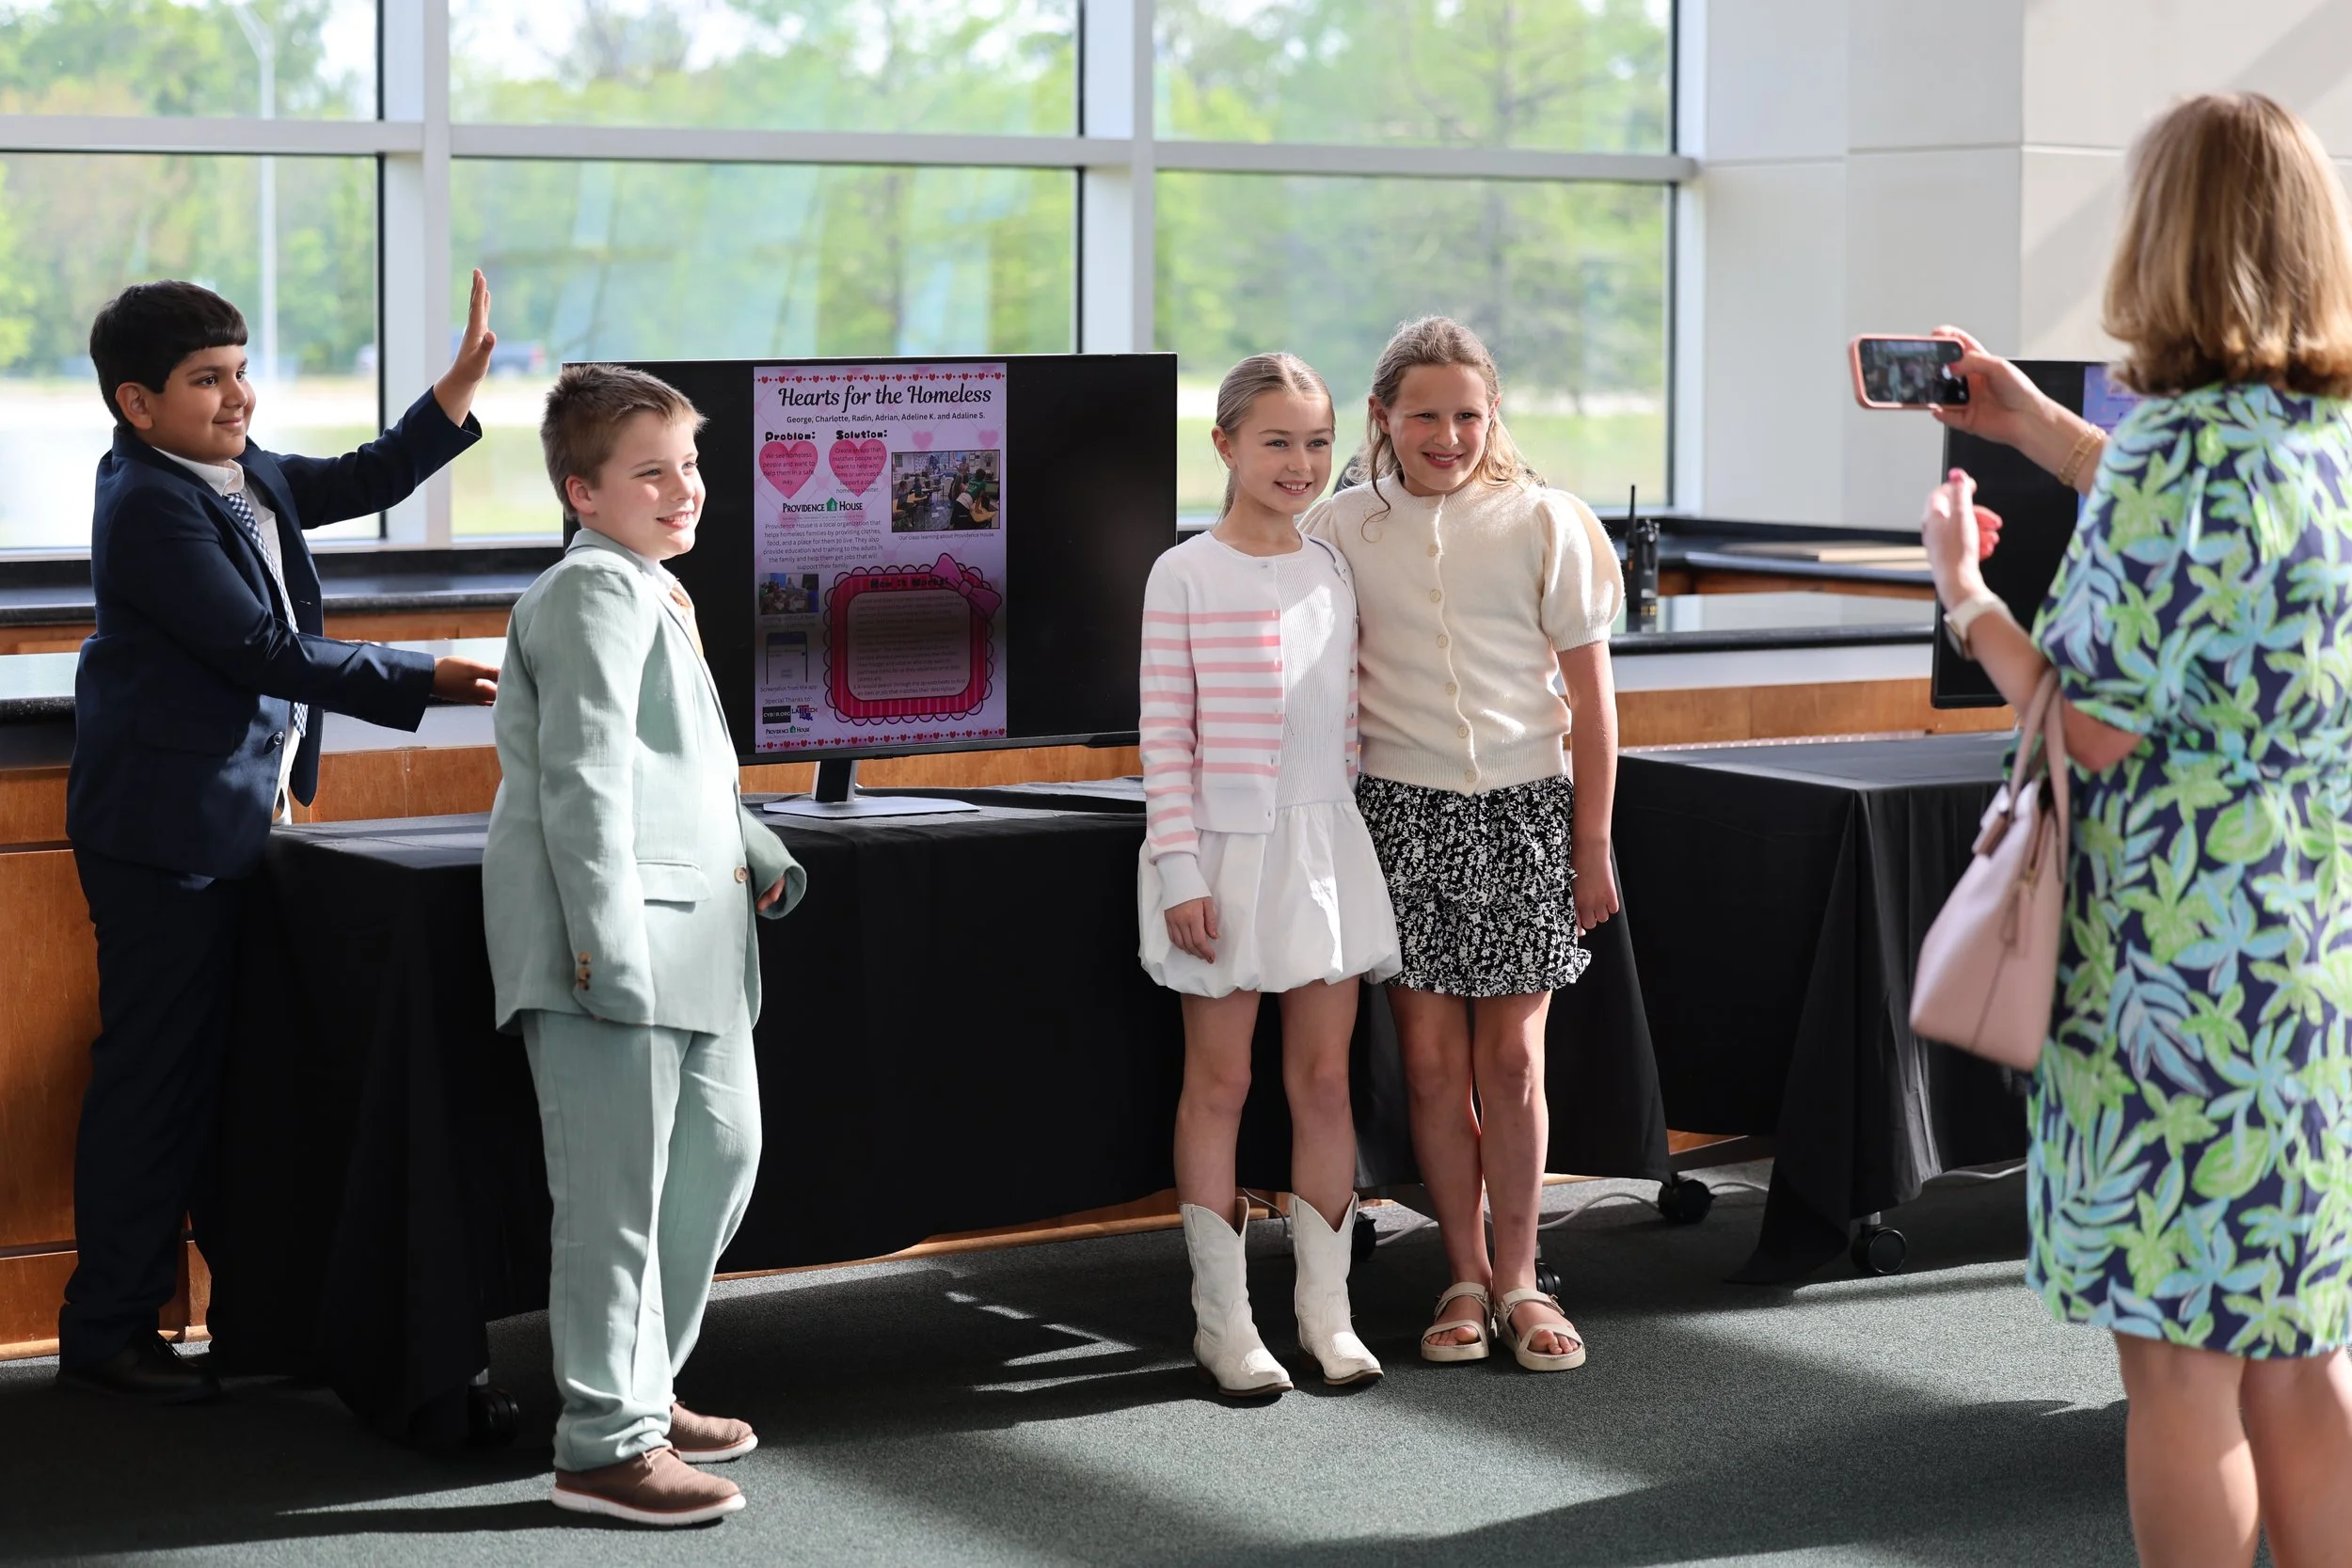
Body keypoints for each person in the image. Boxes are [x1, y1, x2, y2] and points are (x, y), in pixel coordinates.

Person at [1920, 93, 2352, 1568]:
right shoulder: (2325, 441)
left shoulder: (2172, 452)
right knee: (2295, 1347)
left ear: (2164, 236)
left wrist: (1964, 599)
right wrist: (2041, 428)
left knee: (2178, 1365)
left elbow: (2088, 723)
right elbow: (2210, 563)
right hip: (2305, 951)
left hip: (2169, 970)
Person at [59, 274, 502, 1404]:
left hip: (239, 816)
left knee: (229, 1075)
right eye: (207, 380)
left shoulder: (233, 470)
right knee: (155, 1082)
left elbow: (354, 479)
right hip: (166, 836)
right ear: (136, 403)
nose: (239, 396)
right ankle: (107, 1328)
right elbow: (259, 646)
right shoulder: (147, 502)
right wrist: (433, 676)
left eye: (242, 369)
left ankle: (240, 1315)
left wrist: (447, 400)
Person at [484, 365, 806, 1526]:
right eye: (652, 471)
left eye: (692, 464)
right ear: (582, 491)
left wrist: (755, 850)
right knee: (616, 1199)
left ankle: (643, 1385)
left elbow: (683, 766)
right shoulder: (589, 596)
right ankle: (603, 1445)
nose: (686, 489)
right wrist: (603, 948)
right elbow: (582, 780)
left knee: (721, 1156)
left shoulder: (653, 587)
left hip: (698, 934)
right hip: (614, 948)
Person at [1302, 316, 1623, 1373]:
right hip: (1399, 816)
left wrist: (1593, 842)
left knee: (1512, 1060)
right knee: (1433, 1068)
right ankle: (1464, 1272)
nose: (1448, 433)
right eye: (1425, 414)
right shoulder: (1342, 526)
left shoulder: (1546, 519)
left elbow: (1592, 698)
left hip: (1528, 810)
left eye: (1468, 414)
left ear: (1495, 417)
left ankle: (1526, 1275)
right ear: (1382, 418)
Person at [1138, 352, 1400, 1398]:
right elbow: (1163, 737)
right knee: (1223, 1081)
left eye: (1316, 441)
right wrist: (1179, 871)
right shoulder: (1183, 571)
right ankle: (1225, 1323)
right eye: (1276, 440)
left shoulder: (1331, 564)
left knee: (1325, 1081)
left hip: (1323, 849)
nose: (1299, 462)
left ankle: (1326, 1315)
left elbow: (1340, 727)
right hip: (1219, 853)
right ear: (1225, 446)